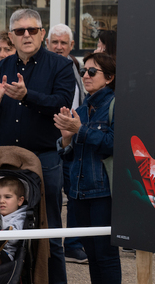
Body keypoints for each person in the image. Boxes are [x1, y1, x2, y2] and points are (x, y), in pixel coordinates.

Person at [0, 8, 74, 284]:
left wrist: (28, 96)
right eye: (19, 31)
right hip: (6, 160)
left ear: (42, 33)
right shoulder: (0, 68)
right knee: (2, 229)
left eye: (32, 30)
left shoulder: (60, 66)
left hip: (44, 159)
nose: (26, 35)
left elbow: (61, 104)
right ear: (11, 36)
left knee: (48, 230)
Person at [54, 52, 122, 284]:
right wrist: (65, 139)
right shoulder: (82, 109)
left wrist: (80, 130)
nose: (85, 75)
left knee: (106, 254)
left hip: (103, 193)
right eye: (84, 71)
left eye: (92, 72)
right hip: (78, 192)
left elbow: (114, 143)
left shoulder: (115, 105)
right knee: (91, 254)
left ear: (110, 77)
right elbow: (70, 155)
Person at [47, 23, 88, 265]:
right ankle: (50, 247)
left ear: (72, 46)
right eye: (55, 42)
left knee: (75, 195)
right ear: (48, 44)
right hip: (49, 141)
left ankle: (72, 244)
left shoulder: (77, 68)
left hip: (71, 140)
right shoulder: (41, 68)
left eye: (64, 43)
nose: (59, 47)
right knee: (51, 197)